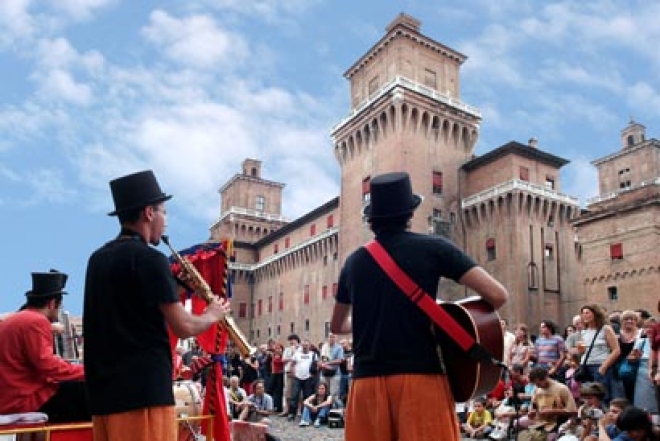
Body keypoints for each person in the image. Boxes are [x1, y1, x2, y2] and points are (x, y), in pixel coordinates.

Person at [329, 172, 509, 441]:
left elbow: (338, 325)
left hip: (366, 384)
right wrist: (447, 314)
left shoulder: (353, 262)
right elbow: (498, 295)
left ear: (372, 220)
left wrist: (373, 318)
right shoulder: (434, 248)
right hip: (420, 379)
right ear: (410, 214)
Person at [83, 170, 231, 441]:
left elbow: (131, 310)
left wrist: (176, 288)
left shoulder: (97, 259)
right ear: (149, 212)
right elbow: (185, 327)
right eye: (164, 212)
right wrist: (213, 314)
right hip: (143, 395)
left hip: (104, 396)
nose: (165, 221)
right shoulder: (152, 259)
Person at [0, 270, 88, 423]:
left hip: (10, 397)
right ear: (52, 303)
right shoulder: (36, 321)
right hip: (24, 399)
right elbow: (49, 366)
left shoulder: (16, 319)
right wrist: (88, 371)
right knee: (89, 392)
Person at [578, 304, 621, 405]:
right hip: (586, 366)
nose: (585, 315)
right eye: (583, 313)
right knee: (587, 396)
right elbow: (583, 351)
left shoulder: (605, 329)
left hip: (600, 365)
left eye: (587, 313)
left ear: (595, 314)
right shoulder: (584, 331)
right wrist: (579, 351)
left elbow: (616, 350)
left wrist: (604, 366)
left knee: (602, 397)